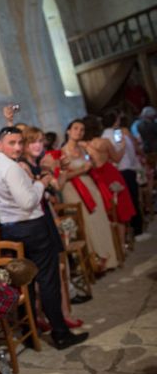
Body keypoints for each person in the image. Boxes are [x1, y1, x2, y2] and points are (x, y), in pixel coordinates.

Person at [0, 127, 88, 350]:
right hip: (31, 227)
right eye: (12, 143)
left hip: (10, 227)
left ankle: (31, 333)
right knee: (47, 281)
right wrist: (41, 183)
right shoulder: (10, 168)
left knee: (26, 282)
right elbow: (28, 201)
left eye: (20, 142)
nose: (18, 147)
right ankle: (60, 333)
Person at [18, 127, 83, 329]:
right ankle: (52, 317)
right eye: (33, 142)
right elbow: (33, 193)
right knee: (47, 273)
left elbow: (57, 186)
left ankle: (59, 314)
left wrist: (62, 170)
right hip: (36, 220)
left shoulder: (38, 164)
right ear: (25, 146)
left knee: (55, 269)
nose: (39, 145)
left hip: (46, 215)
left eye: (40, 141)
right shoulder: (23, 166)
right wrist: (46, 172)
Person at [61, 120, 119, 271]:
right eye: (75, 128)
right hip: (73, 190)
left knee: (100, 220)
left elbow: (99, 163)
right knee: (86, 224)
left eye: (82, 129)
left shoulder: (83, 148)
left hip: (90, 186)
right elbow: (63, 177)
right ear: (68, 131)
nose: (79, 132)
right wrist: (82, 170)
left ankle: (107, 259)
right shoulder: (61, 152)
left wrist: (88, 147)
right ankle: (92, 263)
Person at [82, 115, 136, 247]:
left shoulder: (82, 145)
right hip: (109, 173)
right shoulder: (104, 141)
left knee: (106, 211)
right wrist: (122, 146)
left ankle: (112, 246)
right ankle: (122, 245)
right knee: (119, 209)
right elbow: (116, 158)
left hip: (94, 176)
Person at [101, 111, 148, 242]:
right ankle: (137, 230)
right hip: (125, 168)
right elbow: (123, 151)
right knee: (132, 199)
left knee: (124, 201)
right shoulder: (117, 134)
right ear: (116, 120)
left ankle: (130, 232)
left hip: (116, 171)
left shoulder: (104, 135)